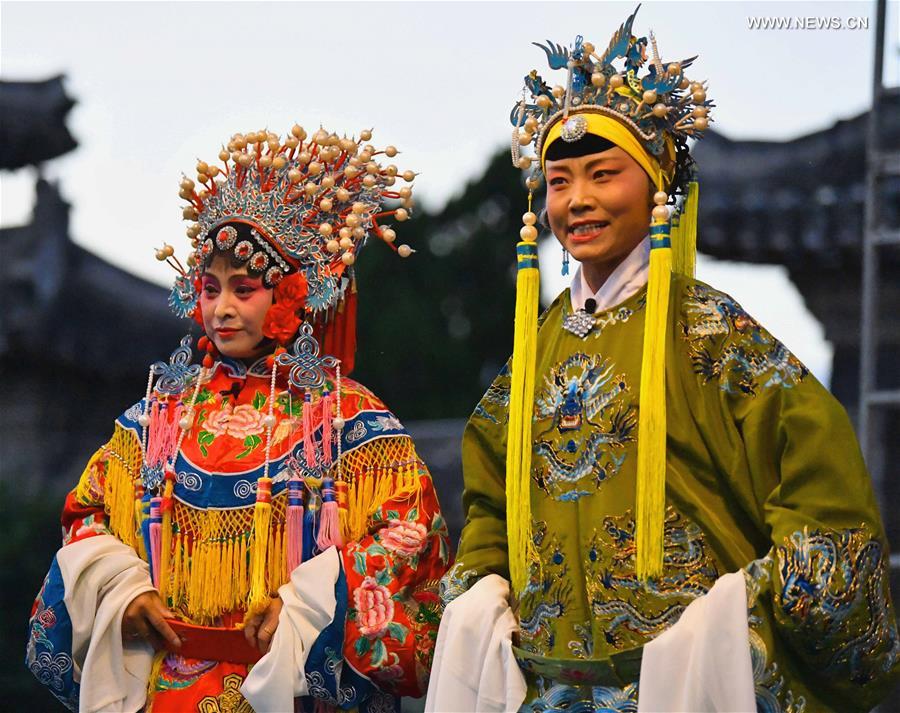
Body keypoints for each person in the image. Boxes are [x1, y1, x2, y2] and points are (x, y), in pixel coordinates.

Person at [429, 6, 900, 712]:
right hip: (547, 690)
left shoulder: (713, 336)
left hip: (685, 686)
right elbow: (489, 502)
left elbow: (823, 499)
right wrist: (483, 595)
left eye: (602, 174)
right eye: (560, 183)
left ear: (655, 187)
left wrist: (743, 612)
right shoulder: (536, 347)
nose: (577, 201)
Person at [26, 123, 451, 712]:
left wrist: (308, 604)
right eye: (210, 288)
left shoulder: (347, 418)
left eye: (244, 288)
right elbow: (87, 515)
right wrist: (122, 591)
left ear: (289, 297)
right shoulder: (158, 415)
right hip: (167, 686)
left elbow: (409, 535)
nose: (222, 308)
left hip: (292, 686)